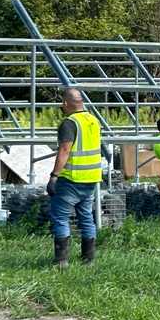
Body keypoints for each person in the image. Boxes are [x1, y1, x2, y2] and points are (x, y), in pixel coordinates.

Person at [46, 87, 101, 268]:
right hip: (91, 178)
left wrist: (54, 176)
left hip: (71, 179)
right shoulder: (93, 120)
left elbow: (65, 150)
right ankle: (88, 260)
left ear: (65, 103)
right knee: (86, 217)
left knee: (61, 217)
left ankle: (61, 261)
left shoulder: (69, 123)